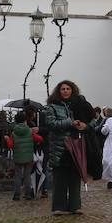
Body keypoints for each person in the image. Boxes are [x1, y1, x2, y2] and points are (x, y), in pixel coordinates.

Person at [42, 81, 90, 214]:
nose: (65, 91)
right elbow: (51, 123)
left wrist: (84, 125)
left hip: (75, 145)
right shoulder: (52, 107)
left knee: (75, 176)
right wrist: (70, 122)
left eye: (68, 88)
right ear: (59, 91)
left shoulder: (78, 105)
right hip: (60, 147)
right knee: (60, 178)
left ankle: (75, 205)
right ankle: (59, 206)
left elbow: (89, 119)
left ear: (72, 90)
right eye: (63, 89)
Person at [9, 110, 36, 200]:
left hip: (18, 157)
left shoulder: (13, 133)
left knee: (18, 176)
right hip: (28, 157)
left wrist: (6, 139)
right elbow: (40, 139)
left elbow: (10, 145)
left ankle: (17, 194)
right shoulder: (30, 131)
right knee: (27, 175)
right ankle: (28, 193)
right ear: (25, 121)